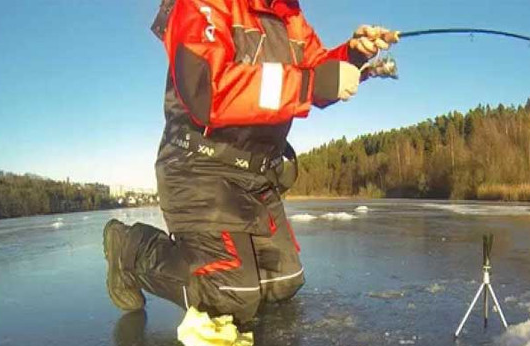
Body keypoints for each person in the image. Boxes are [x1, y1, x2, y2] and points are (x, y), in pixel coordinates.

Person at [103, 0, 396, 324]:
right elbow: (206, 90)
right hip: (198, 167)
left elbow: (315, 72)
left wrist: (352, 56)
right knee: (229, 294)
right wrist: (310, 84)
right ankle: (130, 249)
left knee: (282, 283)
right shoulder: (202, 5)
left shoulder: (290, 16)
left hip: (256, 176)